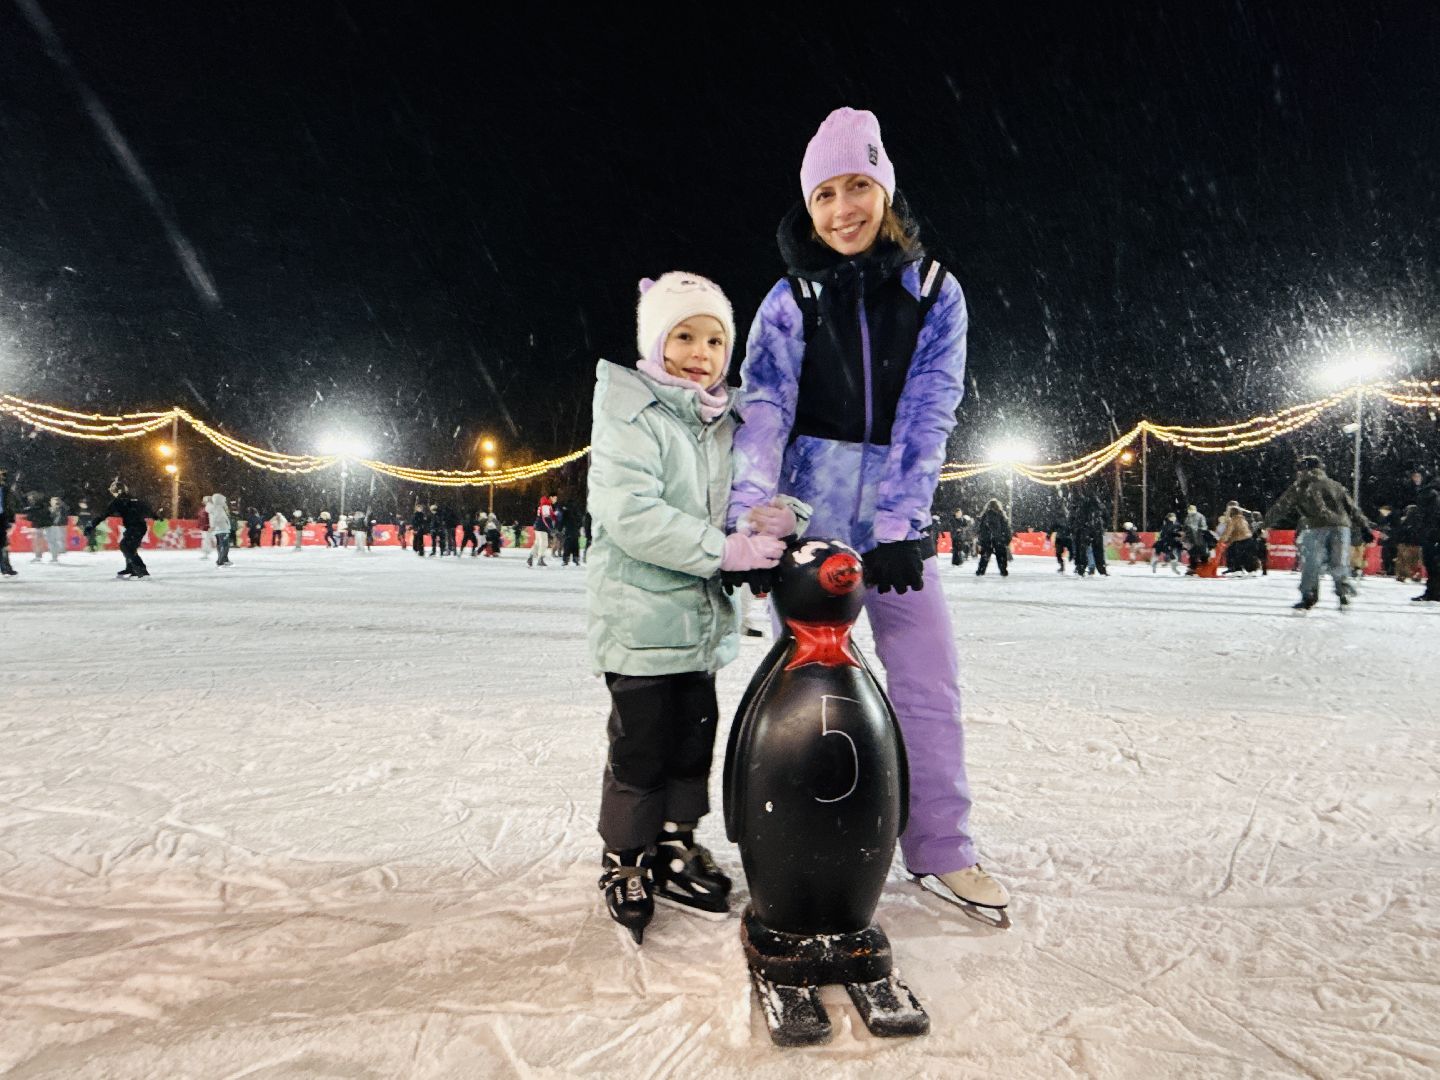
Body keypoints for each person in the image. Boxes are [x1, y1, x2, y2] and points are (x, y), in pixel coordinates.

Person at [726, 108, 1008, 919]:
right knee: (807, 688)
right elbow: (766, 410)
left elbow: (930, 411)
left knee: (926, 679)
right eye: (825, 194)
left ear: (884, 191)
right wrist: (753, 523)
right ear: (807, 207)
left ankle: (940, 846)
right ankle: (800, 839)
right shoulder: (790, 297)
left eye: (858, 187)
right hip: (809, 517)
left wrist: (898, 527)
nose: (843, 209)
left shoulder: (934, 292)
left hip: (893, 521)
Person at [587, 271, 792, 943]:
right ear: (656, 341)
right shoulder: (633, 412)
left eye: (714, 339)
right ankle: (624, 858)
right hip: (643, 623)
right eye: (684, 336)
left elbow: (754, 492)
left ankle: (675, 842)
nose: (701, 353)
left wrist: (783, 513)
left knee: (691, 742)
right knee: (641, 749)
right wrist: (725, 552)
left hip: (700, 628)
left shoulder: (723, 421)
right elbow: (631, 515)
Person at [1265, 455, 1362, 610]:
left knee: (1311, 562)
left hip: (1315, 526)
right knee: (1339, 561)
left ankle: (1309, 596)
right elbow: (1352, 508)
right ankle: (1343, 592)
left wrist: (1265, 523)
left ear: (1304, 469)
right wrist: (1364, 526)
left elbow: (1281, 506)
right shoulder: (1334, 484)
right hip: (1341, 526)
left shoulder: (1302, 485)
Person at [91, 480, 158, 579]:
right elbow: (145, 507)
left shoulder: (118, 501)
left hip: (135, 527)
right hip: (138, 526)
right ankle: (131, 568)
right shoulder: (132, 498)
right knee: (129, 547)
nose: (113, 494)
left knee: (126, 546)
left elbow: (104, 514)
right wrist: (155, 515)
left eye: (113, 491)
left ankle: (141, 570)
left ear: (117, 491)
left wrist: (92, 525)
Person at [1410, 476, 1440, 602]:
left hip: (1431, 535)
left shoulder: (1429, 494)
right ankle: (1433, 592)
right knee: (1433, 565)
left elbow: (1427, 516)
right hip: (1432, 535)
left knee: (1432, 565)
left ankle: (1433, 592)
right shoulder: (1432, 494)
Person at [1069, 491, 1108, 576]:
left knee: (1082, 550)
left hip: (1085, 529)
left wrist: (1075, 528)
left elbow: (1075, 518)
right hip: (1095, 529)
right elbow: (1106, 516)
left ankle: (1081, 567)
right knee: (1097, 550)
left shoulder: (1081, 505)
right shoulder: (1099, 505)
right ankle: (1101, 569)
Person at [974, 498, 1011, 577]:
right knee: (1001, 556)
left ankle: (980, 571)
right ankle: (1003, 571)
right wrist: (1007, 540)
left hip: (987, 540)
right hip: (999, 540)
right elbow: (1006, 528)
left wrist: (981, 539)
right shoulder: (1001, 515)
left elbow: (981, 529)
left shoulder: (985, 515)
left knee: (984, 557)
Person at [0, 467, 18, 577]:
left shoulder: (5, 490)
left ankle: (6, 568)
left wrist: (11, 519)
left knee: (3, 545)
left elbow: (10, 505)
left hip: (1, 519)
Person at [206, 494, 233, 566]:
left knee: (220, 545)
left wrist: (213, 527)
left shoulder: (214, 508)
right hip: (222, 529)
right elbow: (217, 518)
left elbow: (214, 519)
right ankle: (221, 561)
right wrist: (213, 526)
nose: (224, 501)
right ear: (219, 500)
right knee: (225, 546)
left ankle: (223, 559)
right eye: (223, 500)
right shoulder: (218, 508)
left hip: (219, 530)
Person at [1183, 504, 1210, 575]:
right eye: (1189, 510)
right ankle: (1194, 568)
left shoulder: (1200, 516)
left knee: (1202, 554)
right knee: (1193, 554)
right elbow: (1185, 527)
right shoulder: (1188, 517)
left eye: (1191, 510)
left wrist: (1198, 531)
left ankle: (1204, 568)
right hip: (1192, 539)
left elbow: (1204, 527)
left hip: (1199, 538)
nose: (1190, 511)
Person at [527, 495, 554, 567]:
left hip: (537, 526)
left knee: (537, 543)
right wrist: (551, 528)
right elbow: (546, 518)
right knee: (544, 543)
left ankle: (531, 556)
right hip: (542, 527)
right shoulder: (546, 505)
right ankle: (540, 559)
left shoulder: (541, 505)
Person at [24, 491, 51, 562]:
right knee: (37, 541)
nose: (28, 498)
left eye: (30, 497)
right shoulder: (36, 505)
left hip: (39, 525)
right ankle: (38, 555)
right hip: (37, 525)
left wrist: (29, 511)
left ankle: (38, 555)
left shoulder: (38, 505)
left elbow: (36, 514)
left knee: (37, 541)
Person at [44, 495, 69, 562]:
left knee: (58, 540)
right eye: (53, 501)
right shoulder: (49, 509)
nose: (55, 502)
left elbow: (62, 515)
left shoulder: (62, 508)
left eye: (57, 501)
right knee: (51, 542)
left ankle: (58, 552)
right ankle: (54, 556)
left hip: (58, 526)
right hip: (50, 527)